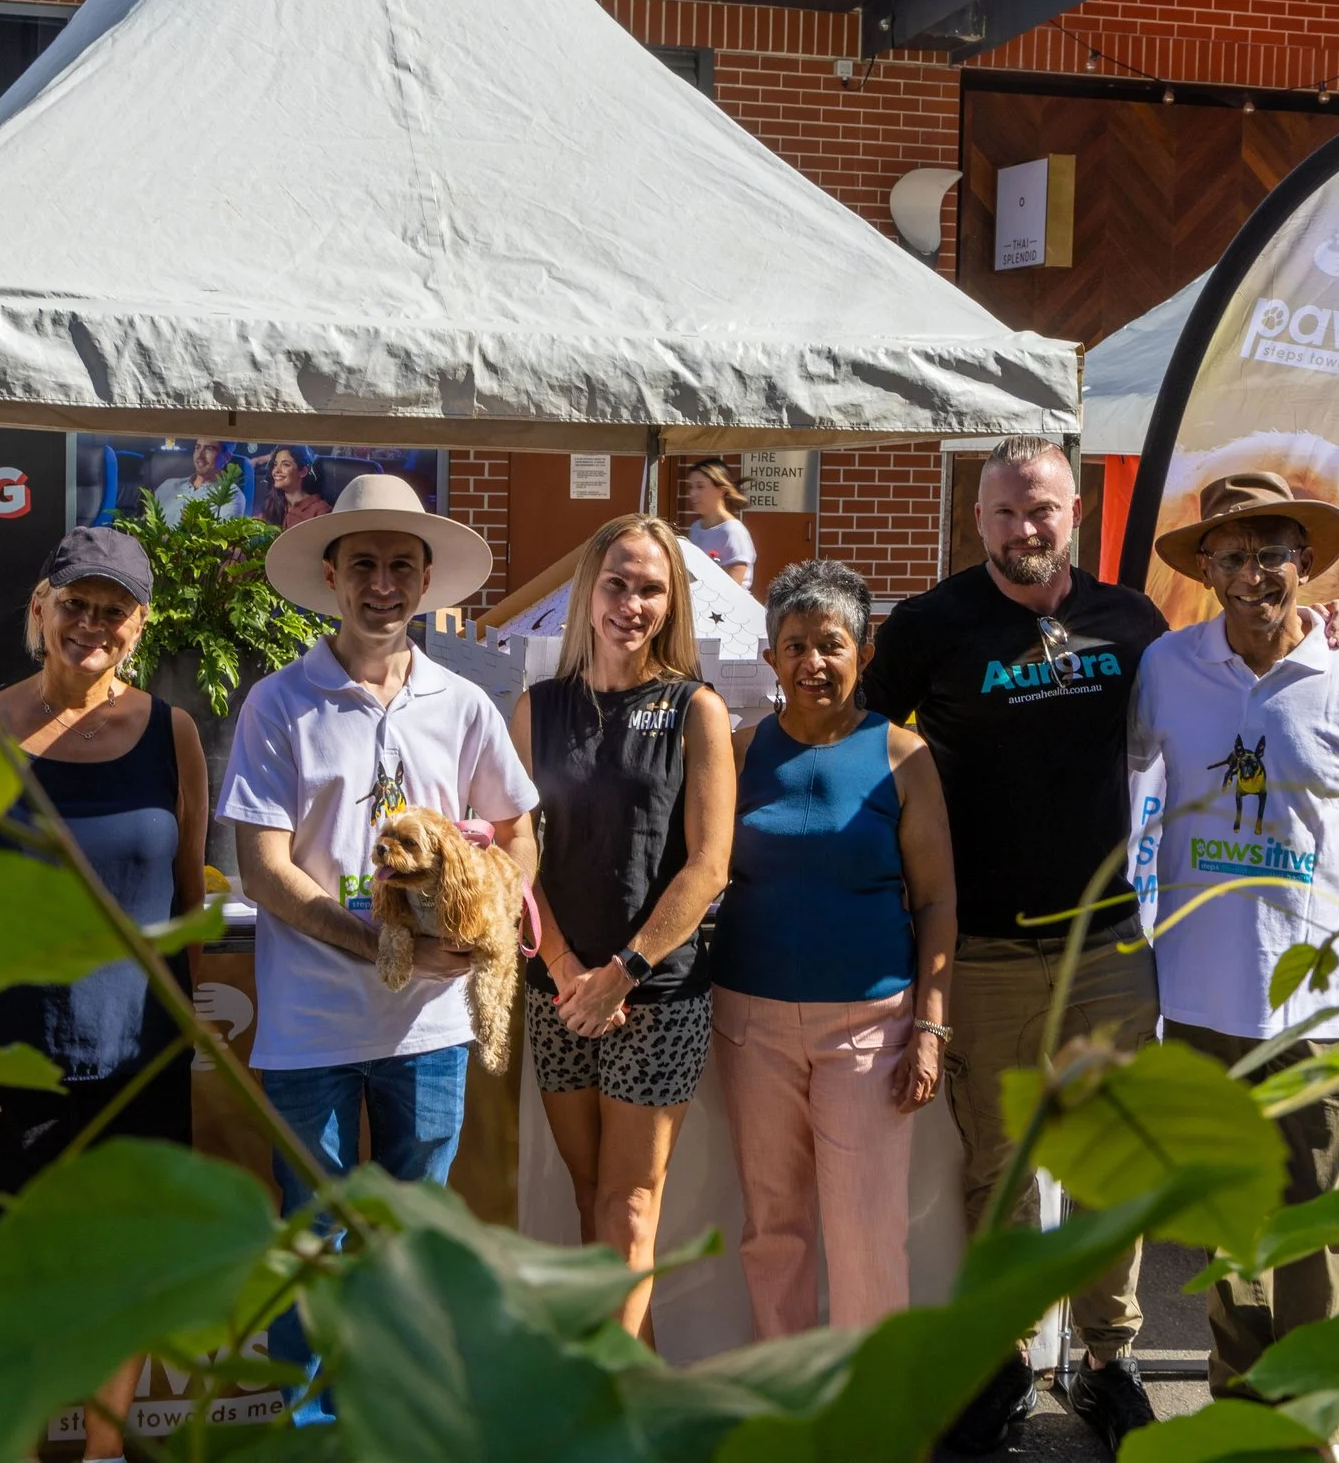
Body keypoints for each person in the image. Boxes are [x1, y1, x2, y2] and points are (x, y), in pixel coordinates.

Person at [861, 436, 1167, 1455]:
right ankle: (1002, 1363)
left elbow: (1215, 700)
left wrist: (1325, 633)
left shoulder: (1131, 622)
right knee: (999, 1170)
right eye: (1001, 512)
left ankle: (1105, 1359)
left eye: (1037, 510)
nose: (1020, 529)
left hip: (1109, 944)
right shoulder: (928, 626)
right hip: (983, 949)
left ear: (1071, 511)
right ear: (976, 518)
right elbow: (868, 752)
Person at [217, 473, 538, 1422]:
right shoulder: (280, 703)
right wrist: (373, 940)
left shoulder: (466, 703)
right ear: (332, 575)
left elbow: (518, 834)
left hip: (428, 1028)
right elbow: (262, 869)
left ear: (428, 579)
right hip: (310, 1026)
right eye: (365, 564)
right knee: (315, 1241)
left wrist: (477, 924)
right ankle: (315, 1438)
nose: (384, 584)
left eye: (402, 565)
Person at [1128, 471, 1339, 1399]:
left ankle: (1312, 1407)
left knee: (1316, 1217)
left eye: (1271, 551)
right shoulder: (1167, 666)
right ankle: (1240, 1394)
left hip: (1325, 1000)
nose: (1251, 570)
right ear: (1207, 567)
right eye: (1231, 553)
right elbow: (1124, 798)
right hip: (1200, 990)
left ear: (1305, 562)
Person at [0, 526, 207, 1463]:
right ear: (39, 609)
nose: (92, 623)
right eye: (75, 603)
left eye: (112, 609)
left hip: (137, 1057)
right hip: (1, 1060)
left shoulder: (174, 735)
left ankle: (105, 1451)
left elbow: (190, 892)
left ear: (139, 626)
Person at [708, 559, 954, 1339]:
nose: (813, 662)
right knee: (772, 1231)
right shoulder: (739, 751)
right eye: (794, 645)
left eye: (830, 643)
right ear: (771, 655)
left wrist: (931, 1025)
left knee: (867, 1236)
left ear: (864, 648)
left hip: (870, 1028)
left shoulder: (903, 755)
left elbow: (939, 898)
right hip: (750, 1021)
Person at [512, 514, 733, 1340]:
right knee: (588, 1196)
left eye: (650, 588)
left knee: (630, 1201)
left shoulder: (695, 709)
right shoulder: (536, 709)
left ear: (671, 601)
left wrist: (623, 972)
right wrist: (569, 967)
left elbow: (710, 864)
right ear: (587, 590)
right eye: (617, 583)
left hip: (658, 993)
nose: (631, 603)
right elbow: (516, 850)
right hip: (559, 988)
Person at [682, 458, 756, 588]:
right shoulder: (695, 528)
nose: (692, 493)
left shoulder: (733, 531)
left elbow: (733, 588)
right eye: (690, 487)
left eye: (700, 486)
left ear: (721, 490)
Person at [154, 437, 246, 526]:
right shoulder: (168, 486)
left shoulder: (231, 496)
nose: (199, 456)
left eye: (209, 449)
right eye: (197, 448)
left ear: (226, 457)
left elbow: (220, 538)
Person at [256, 445, 332, 530]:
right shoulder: (273, 503)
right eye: (275, 465)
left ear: (303, 471)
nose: (276, 470)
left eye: (286, 465)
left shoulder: (320, 510)